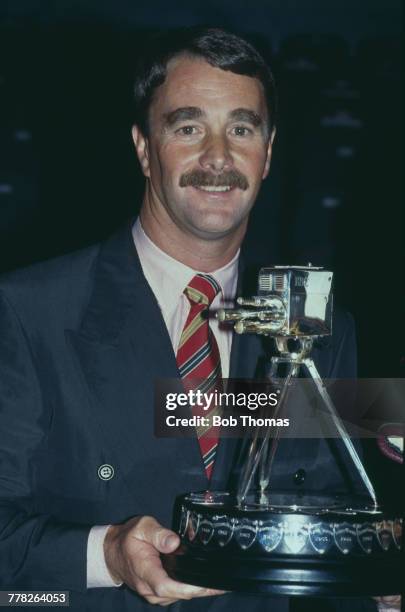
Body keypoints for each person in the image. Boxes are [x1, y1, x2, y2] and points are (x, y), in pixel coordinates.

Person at [0, 27, 379, 611]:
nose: (219, 158)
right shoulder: (28, 313)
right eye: (188, 127)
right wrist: (107, 554)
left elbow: (332, 523)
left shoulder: (322, 329)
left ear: (268, 152)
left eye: (242, 128)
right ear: (144, 148)